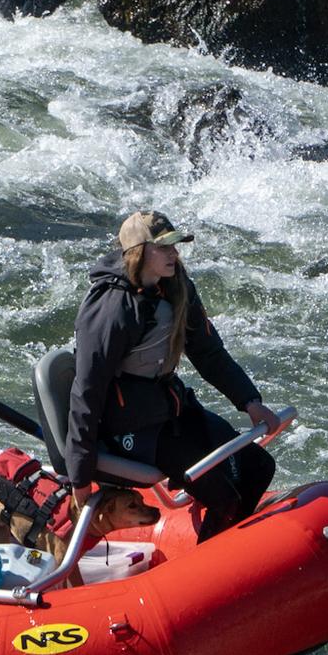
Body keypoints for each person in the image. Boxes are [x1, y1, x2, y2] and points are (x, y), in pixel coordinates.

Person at [63, 210, 281, 540]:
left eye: (175, 246)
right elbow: (87, 390)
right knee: (225, 499)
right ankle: (212, 576)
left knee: (259, 467)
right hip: (128, 425)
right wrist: (79, 475)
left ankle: (227, 552)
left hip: (171, 409)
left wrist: (249, 401)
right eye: (164, 248)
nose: (174, 254)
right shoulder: (111, 307)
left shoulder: (177, 288)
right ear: (139, 252)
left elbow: (208, 353)